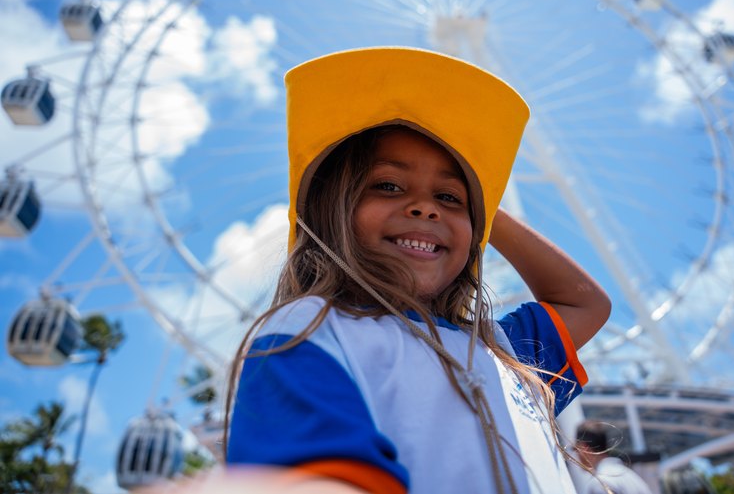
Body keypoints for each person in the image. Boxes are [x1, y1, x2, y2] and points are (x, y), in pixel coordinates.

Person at [223, 46, 612, 494]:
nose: (425, 208)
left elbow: (587, 302)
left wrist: (483, 201)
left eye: (448, 199)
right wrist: (459, 197)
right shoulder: (310, 331)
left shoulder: (504, 352)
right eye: (388, 185)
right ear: (333, 208)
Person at [574, 420, 653, 494]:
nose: (576, 455)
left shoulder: (600, 483)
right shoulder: (632, 477)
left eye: (576, 449)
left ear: (584, 447)